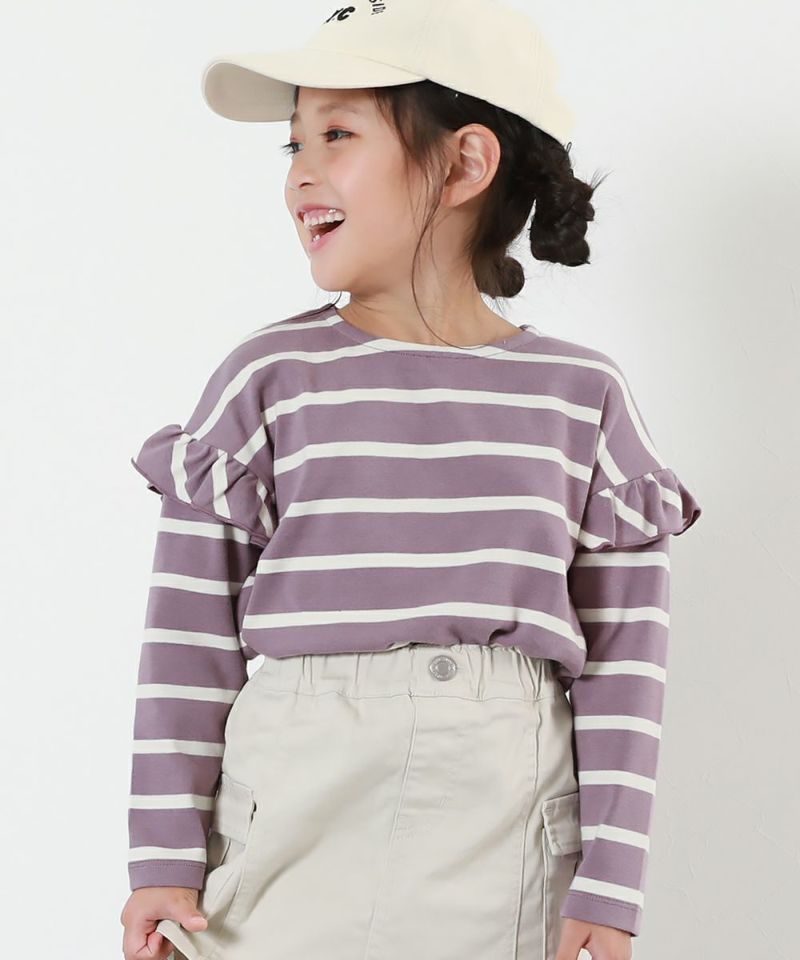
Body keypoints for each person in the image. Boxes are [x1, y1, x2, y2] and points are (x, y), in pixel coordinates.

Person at [119, 2, 702, 958]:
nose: (300, 172)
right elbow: (187, 641)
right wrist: (162, 858)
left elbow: (625, 660)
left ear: (466, 164)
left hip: (505, 828)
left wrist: (610, 882)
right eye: (294, 143)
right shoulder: (267, 378)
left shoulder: (581, 396)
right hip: (293, 815)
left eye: (338, 134)